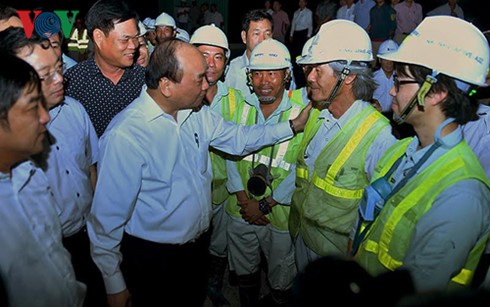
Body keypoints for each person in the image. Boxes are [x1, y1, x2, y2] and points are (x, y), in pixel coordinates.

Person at [87, 38, 311, 307]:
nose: (206, 86)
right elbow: (105, 221)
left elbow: (239, 138)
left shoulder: (195, 114)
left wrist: (291, 126)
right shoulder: (126, 136)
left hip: (196, 251)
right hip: (154, 260)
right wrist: (114, 284)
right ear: (167, 86)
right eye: (198, 80)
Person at [352, 16, 490, 293]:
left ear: (436, 92)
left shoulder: (461, 194)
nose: (391, 90)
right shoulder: (401, 149)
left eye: (400, 82)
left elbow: (418, 290)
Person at [0, 27, 104, 307]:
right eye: (44, 76)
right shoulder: (14, 173)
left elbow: (90, 167)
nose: (61, 79)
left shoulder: (74, 111)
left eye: (59, 67)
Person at [290, 19, 396, 272]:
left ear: (347, 77)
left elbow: (382, 215)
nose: (310, 78)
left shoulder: (378, 135)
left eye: (318, 70)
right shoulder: (314, 113)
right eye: (309, 70)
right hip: (300, 236)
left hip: (336, 259)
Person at [226, 38, 307, 307]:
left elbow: (301, 167)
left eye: (272, 73)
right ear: (249, 76)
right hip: (240, 210)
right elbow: (229, 154)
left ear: (286, 75)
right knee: (244, 268)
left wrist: (263, 204)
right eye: (257, 73)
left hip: (280, 216)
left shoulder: (301, 111)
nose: (264, 81)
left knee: (280, 275)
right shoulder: (240, 107)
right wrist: (243, 200)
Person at [190, 24, 243, 306]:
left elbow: (242, 146)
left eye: (218, 57)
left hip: (222, 191)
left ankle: (213, 285)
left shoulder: (236, 101)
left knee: (219, 244)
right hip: (187, 191)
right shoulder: (180, 95)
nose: (210, 64)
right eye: (203, 55)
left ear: (226, 62)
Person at [64, 0, 145, 137]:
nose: (133, 46)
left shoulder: (146, 80)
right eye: (125, 39)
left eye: (136, 38)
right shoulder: (72, 84)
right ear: (99, 37)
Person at [224, 9, 273, 95]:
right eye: (256, 34)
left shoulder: (282, 67)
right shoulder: (232, 69)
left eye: (267, 34)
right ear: (244, 36)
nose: (262, 40)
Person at [372, 39, 398, 113]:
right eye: (385, 59)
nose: (389, 63)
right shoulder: (372, 79)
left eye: (391, 59)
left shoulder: (402, 80)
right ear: (380, 60)